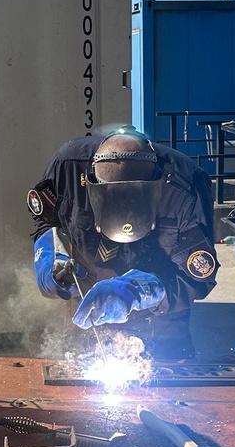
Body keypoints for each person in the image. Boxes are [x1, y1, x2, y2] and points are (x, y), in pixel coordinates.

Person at [29, 127, 219, 360]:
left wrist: (142, 290)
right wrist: (49, 256)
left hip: (161, 320)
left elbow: (199, 276)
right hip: (89, 310)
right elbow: (45, 220)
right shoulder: (66, 168)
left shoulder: (186, 187)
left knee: (170, 379)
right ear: (88, 181)